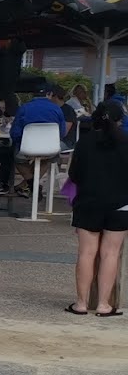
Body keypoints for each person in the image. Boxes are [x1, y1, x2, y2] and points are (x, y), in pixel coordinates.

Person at [65, 99, 128, 315]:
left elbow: (74, 175)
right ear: (120, 121)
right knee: (111, 254)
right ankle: (103, 304)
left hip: (88, 203)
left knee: (86, 253)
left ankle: (81, 304)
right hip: (121, 204)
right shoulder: (126, 142)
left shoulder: (84, 142)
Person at [0, 86, 69, 192]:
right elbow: (62, 132)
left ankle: (31, 184)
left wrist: (21, 141)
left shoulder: (24, 108)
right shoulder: (57, 109)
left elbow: (15, 133)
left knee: (17, 158)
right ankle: (33, 185)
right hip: (50, 148)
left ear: (32, 95)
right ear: (49, 94)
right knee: (50, 158)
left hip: (27, 147)